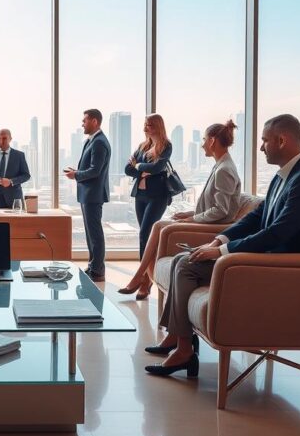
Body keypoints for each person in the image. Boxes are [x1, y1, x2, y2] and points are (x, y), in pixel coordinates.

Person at [144, 114, 300, 377]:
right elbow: (257, 217)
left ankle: (184, 350)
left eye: (264, 141)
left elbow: (278, 233)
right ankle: (179, 341)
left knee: (186, 266)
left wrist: (223, 251)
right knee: (182, 260)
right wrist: (219, 239)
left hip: (284, 270)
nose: (261, 147)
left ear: (282, 140)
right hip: (267, 260)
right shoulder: (285, 176)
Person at [119, 119, 241, 300]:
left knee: (153, 228)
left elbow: (221, 211)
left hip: (211, 227)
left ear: (213, 141)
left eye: (204, 139)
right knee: (154, 228)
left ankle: (141, 278)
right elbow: (129, 169)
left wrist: (193, 219)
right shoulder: (220, 166)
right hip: (144, 196)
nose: (202, 145)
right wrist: (192, 214)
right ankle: (143, 277)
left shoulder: (224, 169)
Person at [64, 109, 111, 283]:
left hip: (93, 194)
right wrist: (76, 172)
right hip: (88, 194)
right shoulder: (92, 141)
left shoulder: (99, 142)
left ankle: (97, 270)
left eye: (85, 120)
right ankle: (94, 266)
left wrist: (76, 175)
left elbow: (95, 171)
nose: (82, 123)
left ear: (94, 122)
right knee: (91, 234)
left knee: (95, 234)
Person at [125, 114, 173, 260]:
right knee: (144, 234)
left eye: (149, 125)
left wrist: (138, 165)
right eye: (145, 124)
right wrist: (145, 169)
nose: (145, 127)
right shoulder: (142, 146)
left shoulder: (166, 146)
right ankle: (145, 271)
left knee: (145, 233)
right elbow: (127, 169)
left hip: (157, 196)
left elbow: (157, 168)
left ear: (158, 126)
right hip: (140, 195)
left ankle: (145, 274)